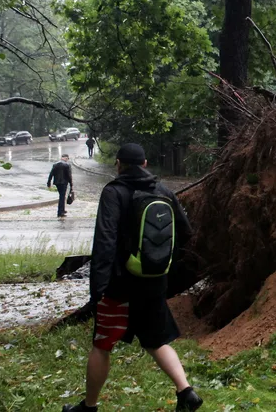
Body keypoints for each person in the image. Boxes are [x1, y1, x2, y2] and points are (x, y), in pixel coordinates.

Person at [62, 143, 201, 412]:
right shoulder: (163, 191)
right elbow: (185, 233)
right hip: (154, 283)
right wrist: (161, 264)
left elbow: (105, 240)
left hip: (119, 286)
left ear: (118, 164)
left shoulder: (114, 192)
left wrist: (98, 288)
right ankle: (186, 392)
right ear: (145, 164)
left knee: (102, 344)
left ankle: (89, 407)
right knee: (156, 341)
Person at [47, 154, 74, 218]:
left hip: (57, 183)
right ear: (66, 158)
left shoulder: (55, 164)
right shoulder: (67, 165)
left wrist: (49, 183)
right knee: (62, 197)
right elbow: (69, 175)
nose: (67, 160)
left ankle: (62, 210)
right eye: (67, 158)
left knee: (62, 196)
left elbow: (51, 174)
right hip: (64, 183)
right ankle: (60, 212)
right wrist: (71, 184)